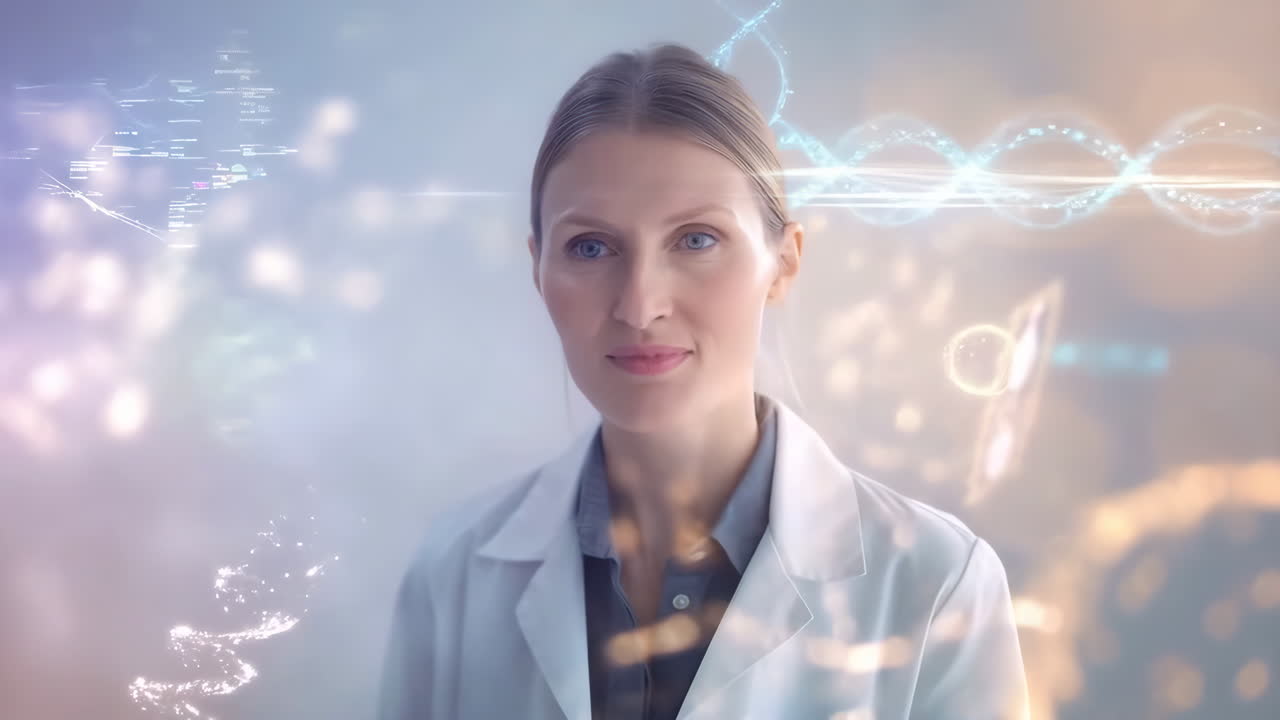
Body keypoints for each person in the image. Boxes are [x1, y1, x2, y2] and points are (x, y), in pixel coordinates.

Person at [376, 42, 1030, 720]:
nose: (640, 304)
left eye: (695, 240)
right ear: (539, 270)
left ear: (784, 262)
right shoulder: (453, 575)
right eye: (591, 248)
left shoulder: (937, 584)